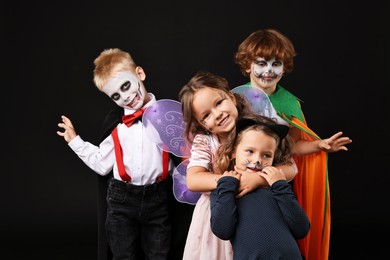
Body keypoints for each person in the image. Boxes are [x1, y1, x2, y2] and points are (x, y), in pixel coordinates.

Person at [57, 48, 193, 259]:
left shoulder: (168, 116)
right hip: (122, 200)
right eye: (116, 95)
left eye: (126, 85)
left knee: (160, 254)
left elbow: (183, 159)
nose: (126, 97)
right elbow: (102, 164)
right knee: (122, 254)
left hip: (159, 199)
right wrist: (75, 141)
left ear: (139, 74)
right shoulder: (117, 125)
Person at [234, 28, 353, 259]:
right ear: (248, 65)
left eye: (276, 63)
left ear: (284, 67)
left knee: (275, 241)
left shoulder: (290, 104)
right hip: (239, 180)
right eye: (261, 62)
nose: (268, 70)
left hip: (275, 182)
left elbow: (293, 148)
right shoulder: (234, 99)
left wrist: (320, 145)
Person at [178, 71, 298, 260]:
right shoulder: (205, 141)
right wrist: (232, 181)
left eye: (219, 103)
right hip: (218, 215)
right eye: (206, 115)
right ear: (203, 124)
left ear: (231, 97)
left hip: (256, 215)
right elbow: (193, 180)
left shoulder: (256, 127)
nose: (217, 115)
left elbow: (291, 168)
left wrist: (257, 179)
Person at [210, 115, 310, 259]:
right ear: (233, 152)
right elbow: (223, 231)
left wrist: (280, 186)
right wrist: (226, 188)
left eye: (266, 155)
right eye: (250, 151)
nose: (257, 160)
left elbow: (301, 229)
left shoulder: (276, 187)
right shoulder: (224, 190)